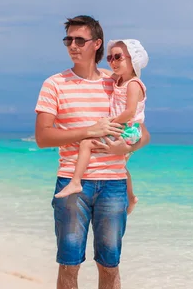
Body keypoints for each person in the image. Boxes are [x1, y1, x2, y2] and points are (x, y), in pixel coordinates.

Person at [35, 15, 150, 289]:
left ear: (97, 44)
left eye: (79, 40)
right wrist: (89, 131)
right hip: (73, 182)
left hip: (113, 183)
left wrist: (125, 146)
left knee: (110, 263)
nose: (73, 46)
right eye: (68, 40)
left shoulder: (115, 82)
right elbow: (43, 137)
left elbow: (143, 133)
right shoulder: (54, 84)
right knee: (69, 261)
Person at [55, 38, 148, 216]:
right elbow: (103, 73)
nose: (113, 62)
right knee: (121, 164)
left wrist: (107, 125)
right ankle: (131, 196)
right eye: (110, 58)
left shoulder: (133, 84)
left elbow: (129, 112)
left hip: (127, 128)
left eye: (118, 57)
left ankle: (75, 181)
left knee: (86, 144)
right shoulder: (120, 79)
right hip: (128, 128)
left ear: (133, 59)